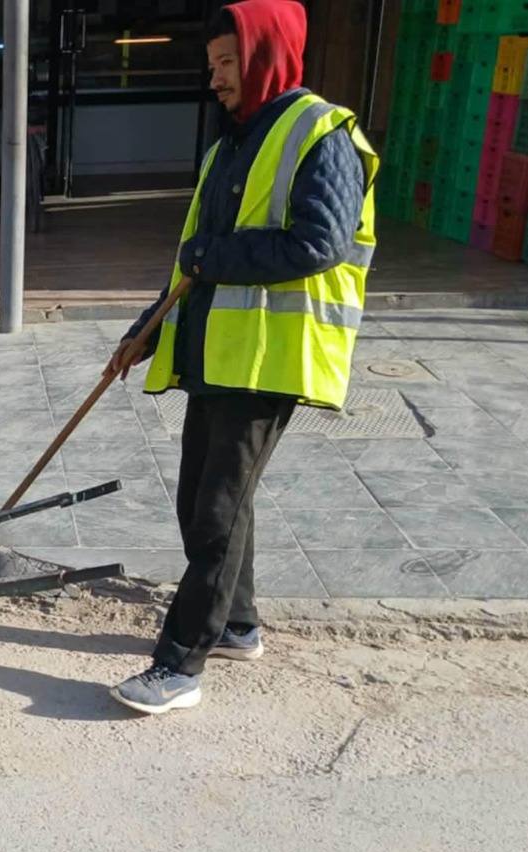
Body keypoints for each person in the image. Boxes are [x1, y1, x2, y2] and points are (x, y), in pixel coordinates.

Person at [106, 0, 376, 715]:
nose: (217, 78)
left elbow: (319, 244)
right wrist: (146, 329)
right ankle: (237, 624)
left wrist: (212, 257)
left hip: (268, 361)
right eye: (213, 65)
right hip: (220, 354)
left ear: (264, 57)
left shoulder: (321, 133)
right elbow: (191, 261)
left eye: (227, 62)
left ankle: (179, 665)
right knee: (207, 500)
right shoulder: (229, 145)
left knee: (216, 511)